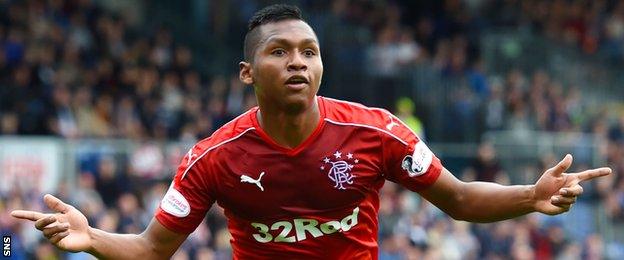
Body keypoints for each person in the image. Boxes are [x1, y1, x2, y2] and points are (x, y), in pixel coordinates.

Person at [11, 4, 612, 259]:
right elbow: (151, 249)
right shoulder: (213, 158)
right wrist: (92, 240)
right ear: (249, 72)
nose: (298, 61)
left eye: (309, 51)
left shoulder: (379, 133)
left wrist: (530, 198)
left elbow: (456, 200)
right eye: (280, 51)